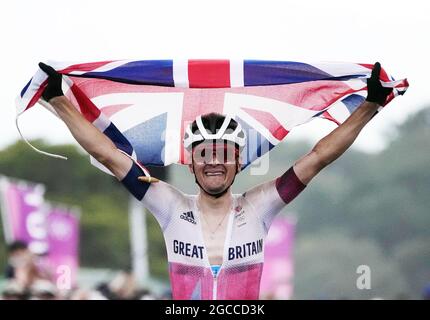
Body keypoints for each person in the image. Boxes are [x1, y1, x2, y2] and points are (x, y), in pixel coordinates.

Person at [38, 61, 392, 300]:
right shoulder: (170, 205)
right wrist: (58, 99)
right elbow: (108, 155)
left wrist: (369, 106)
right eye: (205, 154)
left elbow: (317, 158)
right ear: (192, 163)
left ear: (238, 161)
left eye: (223, 154)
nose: (214, 163)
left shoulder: (259, 206)